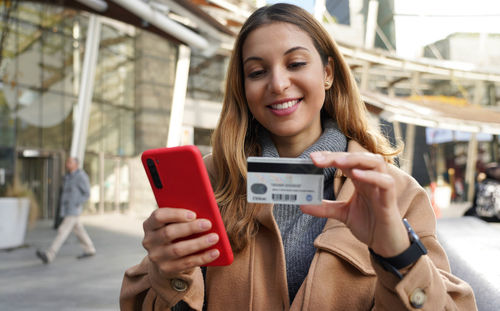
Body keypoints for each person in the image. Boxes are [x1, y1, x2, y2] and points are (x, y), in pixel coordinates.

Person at [120, 3, 476, 310]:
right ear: (243, 89)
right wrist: (168, 274)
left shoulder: (394, 192)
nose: (277, 83)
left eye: (296, 63)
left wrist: (398, 253)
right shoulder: (212, 179)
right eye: (257, 72)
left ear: (327, 73)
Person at [36, 157, 96, 264]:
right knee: (79, 230)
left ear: (76, 164)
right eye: (67, 162)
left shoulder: (81, 176)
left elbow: (87, 194)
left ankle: (50, 254)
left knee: (62, 231)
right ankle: (90, 249)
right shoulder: (67, 176)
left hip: (73, 210)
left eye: (69, 162)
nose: (67, 164)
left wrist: (76, 203)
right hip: (67, 209)